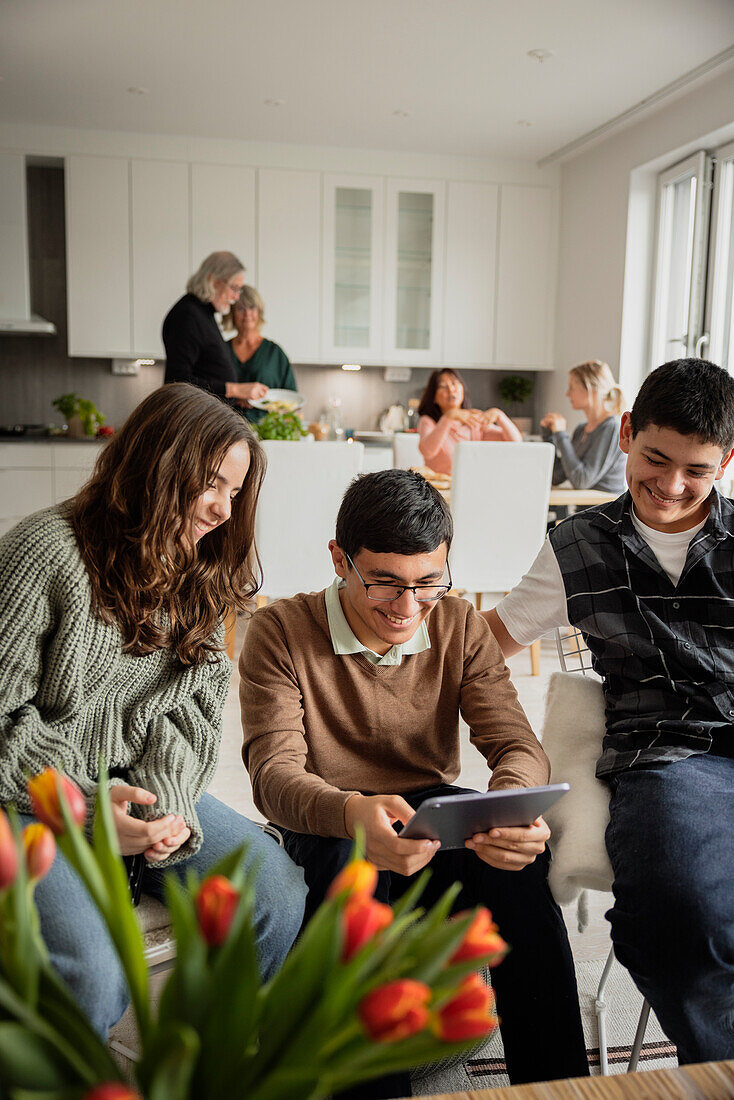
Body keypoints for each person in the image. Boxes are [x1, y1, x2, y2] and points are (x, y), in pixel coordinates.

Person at [240, 469, 589, 1096]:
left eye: (428, 584)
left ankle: (558, 1086)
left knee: (519, 870)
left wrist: (508, 800)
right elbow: (274, 776)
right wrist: (353, 815)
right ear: (340, 560)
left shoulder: (459, 624)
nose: (407, 609)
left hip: (431, 818)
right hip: (329, 823)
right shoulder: (281, 632)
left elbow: (515, 744)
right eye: (386, 585)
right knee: (350, 898)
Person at [0, 383, 306, 1037]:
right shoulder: (44, 554)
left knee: (277, 894)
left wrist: (168, 799)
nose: (224, 509)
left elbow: (191, 710)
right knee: (92, 972)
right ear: (157, 463)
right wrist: (86, 804)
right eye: (212, 484)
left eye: (236, 491)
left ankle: (203, 1065)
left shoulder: (199, 572)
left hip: (133, 785)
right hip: (32, 797)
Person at [484, 358, 734, 1068]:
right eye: (656, 459)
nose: (673, 485)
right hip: (671, 754)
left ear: (726, 462)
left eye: (698, 470)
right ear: (626, 433)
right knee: (674, 920)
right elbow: (485, 648)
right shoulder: (578, 546)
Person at [162, 251, 268, 409]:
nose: (236, 297)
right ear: (213, 281)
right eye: (234, 288)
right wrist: (234, 390)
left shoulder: (204, 313)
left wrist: (236, 396)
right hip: (194, 421)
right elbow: (177, 382)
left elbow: (205, 372)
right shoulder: (188, 315)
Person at [540, 359, 626, 492]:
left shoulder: (612, 427)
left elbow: (581, 480)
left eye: (572, 388)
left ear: (591, 389)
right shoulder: (581, 429)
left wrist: (561, 434)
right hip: (585, 510)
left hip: (607, 511)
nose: (567, 394)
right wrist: (549, 436)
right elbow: (557, 476)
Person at [418, 368, 522, 475]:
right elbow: (427, 452)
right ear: (433, 397)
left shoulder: (474, 419)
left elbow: (516, 443)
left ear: (462, 389)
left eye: (455, 383)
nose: (451, 389)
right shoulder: (428, 421)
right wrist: (448, 418)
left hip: (470, 483)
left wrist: (500, 416)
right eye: (443, 386)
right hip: (438, 487)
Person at [225, 285, 298, 423]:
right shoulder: (221, 350)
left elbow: (291, 399)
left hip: (267, 431)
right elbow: (209, 390)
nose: (247, 314)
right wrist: (236, 394)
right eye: (241, 308)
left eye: (252, 308)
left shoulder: (275, 353)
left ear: (259, 312)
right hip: (226, 428)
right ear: (232, 313)